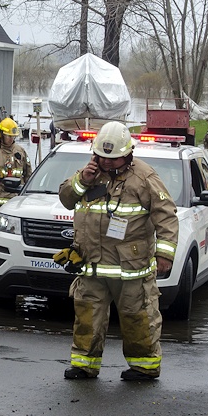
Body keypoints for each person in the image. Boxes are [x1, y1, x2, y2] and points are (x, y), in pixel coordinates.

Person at [56, 121, 178, 381]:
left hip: (130, 269)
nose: (106, 162)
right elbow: (66, 200)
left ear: (128, 154)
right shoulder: (89, 174)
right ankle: (84, 365)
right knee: (88, 318)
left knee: (138, 318)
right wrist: (82, 180)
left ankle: (144, 367)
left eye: (112, 158)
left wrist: (165, 254)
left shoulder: (144, 178)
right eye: (101, 157)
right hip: (91, 267)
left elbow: (166, 216)